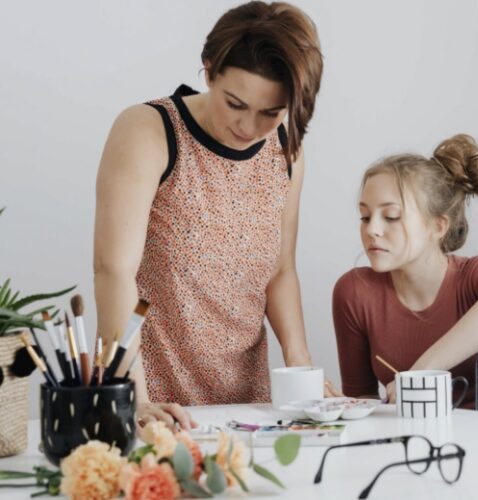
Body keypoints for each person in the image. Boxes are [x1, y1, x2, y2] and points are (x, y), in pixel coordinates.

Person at [93, 1, 339, 431]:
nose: (249, 127)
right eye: (235, 103)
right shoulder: (149, 131)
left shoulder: (286, 149)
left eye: (271, 112)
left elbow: (281, 270)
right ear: (208, 71)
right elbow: (113, 270)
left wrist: (303, 371)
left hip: (247, 407)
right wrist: (132, 396)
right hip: (154, 399)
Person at [332, 134, 478, 424]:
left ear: (438, 226)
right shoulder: (354, 292)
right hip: (423, 444)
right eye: (365, 217)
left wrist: (420, 372)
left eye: (390, 217)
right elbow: (363, 400)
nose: (372, 230)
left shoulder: (473, 276)